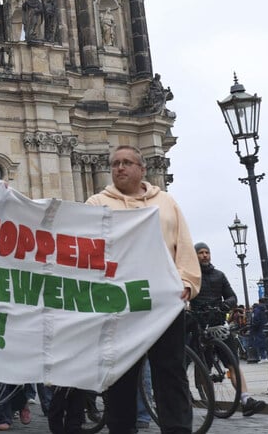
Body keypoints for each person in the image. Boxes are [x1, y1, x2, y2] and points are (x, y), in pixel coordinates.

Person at [86, 145, 201, 434]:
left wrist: (187, 283)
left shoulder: (166, 203)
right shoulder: (97, 203)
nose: (119, 168)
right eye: (115, 164)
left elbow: (183, 245)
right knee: (120, 378)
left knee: (171, 374)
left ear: (142, 169)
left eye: (126, 163)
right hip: (120, 305)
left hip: (164, 303)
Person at [190, 242, 266, 416]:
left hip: (219, 323)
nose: (204, 255)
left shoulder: (219, 275)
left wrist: (225, 305)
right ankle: (209, 402)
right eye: (200, 253)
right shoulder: (192, 276)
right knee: (204, 366)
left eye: (206, 252)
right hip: (200, 325)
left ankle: (246, 399)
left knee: (232, 362)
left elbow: (232, 296)